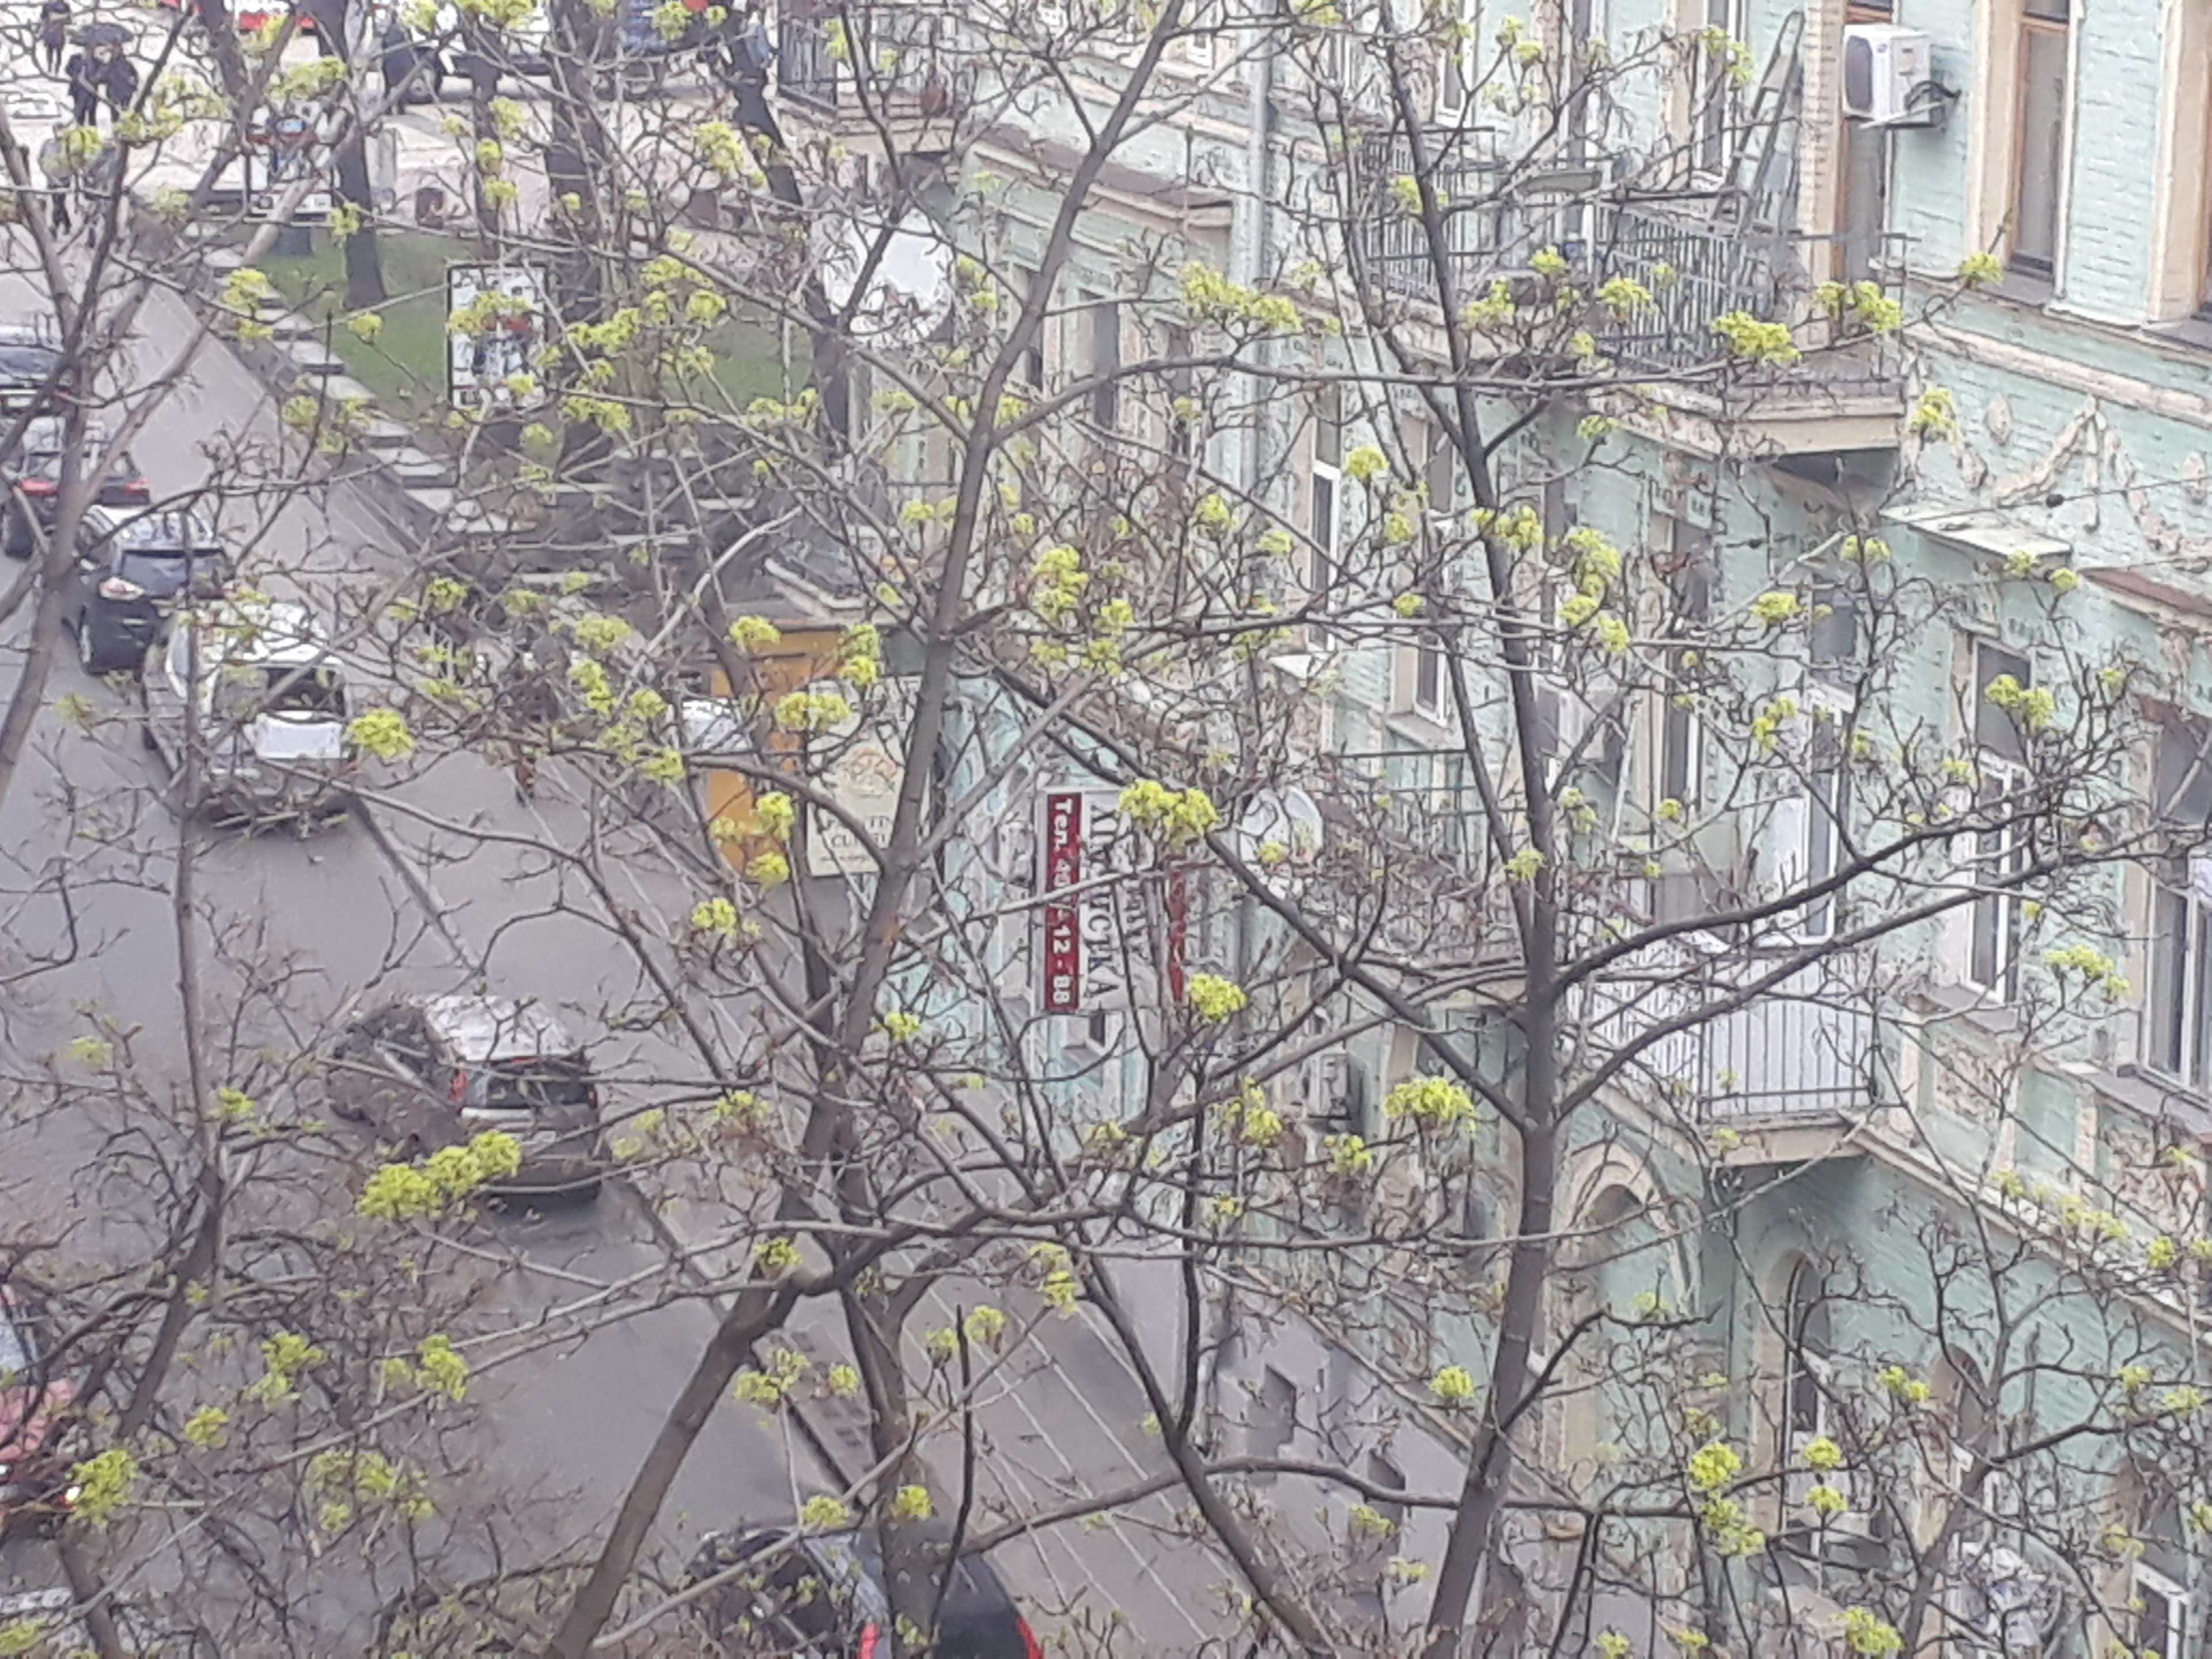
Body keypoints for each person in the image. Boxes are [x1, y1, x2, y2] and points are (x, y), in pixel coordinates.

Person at [63, 46, 99, 127]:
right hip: (78, 90)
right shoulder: (75, 58)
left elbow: (101, 75)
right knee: (80, 113)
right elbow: (68, 69)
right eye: (87, 49)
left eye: (91, 50)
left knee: (92, 114)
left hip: (91, 91)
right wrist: (75, 75)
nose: (89, 52)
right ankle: (80, 130)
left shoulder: (97, 62)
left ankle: (93, 133)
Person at [37, 0, 69, 75]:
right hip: (51, 29)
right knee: (51, 50)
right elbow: (43, 17)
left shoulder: (65, 5)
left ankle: (54, 70)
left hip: (57, 30)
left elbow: (69, 18)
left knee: (55, 51)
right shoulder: (48, 5)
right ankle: (52, 69)